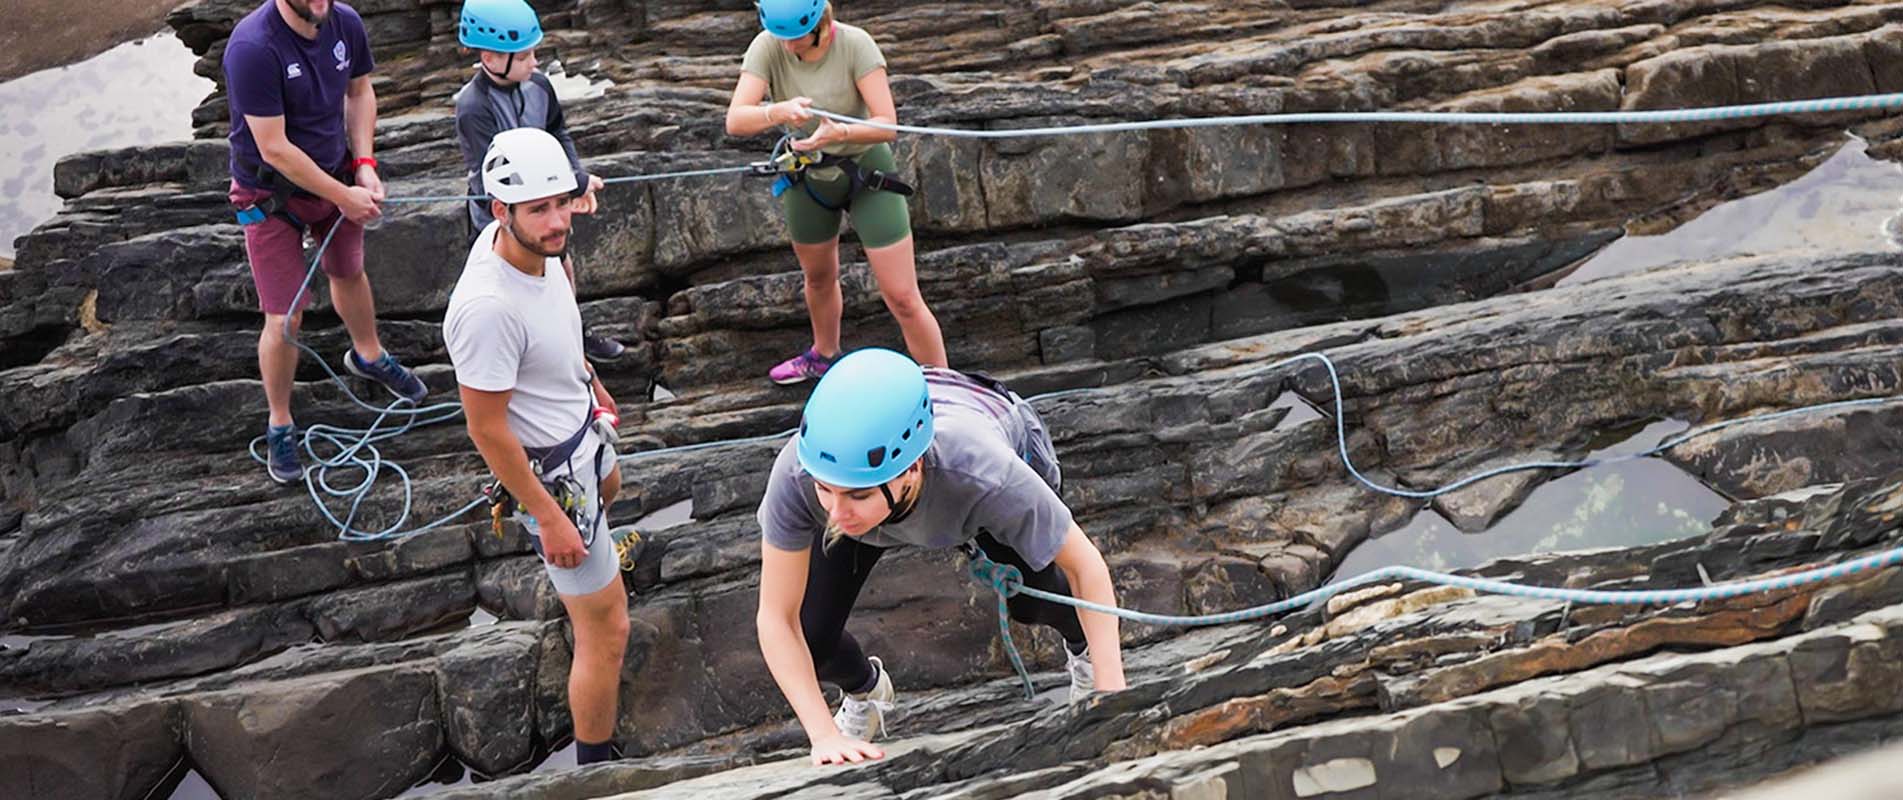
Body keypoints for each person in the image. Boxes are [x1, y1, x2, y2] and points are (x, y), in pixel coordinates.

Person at [754, 348, 1128, 766]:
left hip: (977, 449)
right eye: (825, 489)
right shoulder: (800, 473)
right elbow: (776, 617)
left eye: (855, 493)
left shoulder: (984, 472)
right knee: (813, 636)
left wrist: (1110, 698)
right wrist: (822, 736)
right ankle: (866, 691)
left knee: (1034, 601)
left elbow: (1086, 567)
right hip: (892, 481)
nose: (834, 513)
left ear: (912, 469)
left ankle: (1083, 649)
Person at [445, 128, 630, 765]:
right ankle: (594, 764)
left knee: (614, 492)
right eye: (539, 209)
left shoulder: (534, 248)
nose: (558, 222)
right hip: (555, 479)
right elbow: (487, 429)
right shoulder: (487, 309)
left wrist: (594, 385)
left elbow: (561, 326)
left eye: (564, 202)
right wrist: (549, 518)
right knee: (607, 629)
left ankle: (592, 562)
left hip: (583, 430)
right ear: (501, 211)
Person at [223, 0, 429, 484]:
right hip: (269, 194)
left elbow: (359, 93)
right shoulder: (253, 47)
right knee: (286, 312)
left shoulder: (346, 22)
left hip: (336, 172)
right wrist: (345, 197)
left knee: (349, 271)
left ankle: (368, 355)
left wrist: (364, 165)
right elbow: (273, 147)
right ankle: (279, 422)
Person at [724, 0, 948, 385]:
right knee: (819, 277)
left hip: (866, 172)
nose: (788, 47)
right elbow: (735, 120)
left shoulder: (856, 45)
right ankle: (824, 355)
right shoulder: (767, 45)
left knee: (903, 297)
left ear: (820, 25)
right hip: (807, 175)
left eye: (796, 39)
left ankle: (949, 387)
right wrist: (776, 112)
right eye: (782, 38)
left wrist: (840, 133)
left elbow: (886, 125)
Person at [454, 0, 624, 363]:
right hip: (498, 214)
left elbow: (557, 133)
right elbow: (494, 174)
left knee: (559, 262)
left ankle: (571, 335)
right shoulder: (474, 106)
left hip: (543, 198)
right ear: (491, 57)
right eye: (526, 54)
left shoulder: (539, 86)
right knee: (514, 283)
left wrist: (574, 182)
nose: (535, 62)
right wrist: (572, 183)